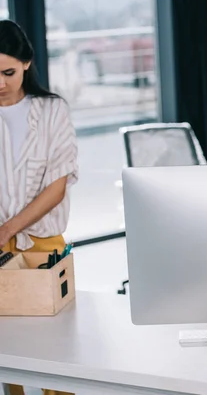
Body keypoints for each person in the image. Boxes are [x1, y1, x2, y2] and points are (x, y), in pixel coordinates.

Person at [0, 20, 78, 395]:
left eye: (8, 72)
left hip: (44, 248)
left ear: (27, 63)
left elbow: (57, 186)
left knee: (56, 353)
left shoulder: (52, 111)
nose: (0, 83)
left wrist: (9, 227)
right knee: (10, 355)